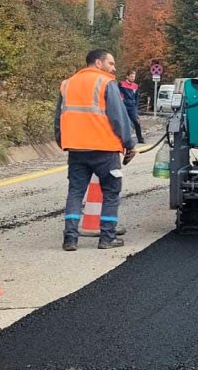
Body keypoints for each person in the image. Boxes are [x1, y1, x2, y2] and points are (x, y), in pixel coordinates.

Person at [55, 49, 138, 251]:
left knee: (75, 192)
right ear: (98, 63)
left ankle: (70, 239)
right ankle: (107, 238)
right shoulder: (105, 83)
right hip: (105, 150)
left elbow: (59, 118)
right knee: (110, 192)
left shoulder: (68, 84)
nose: (114, 68)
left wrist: (62, 141)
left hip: (76, 149)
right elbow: (118, 118)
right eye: (111, 63)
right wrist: (129, 143)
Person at [118, 70, 145, 144]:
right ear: (127, 76)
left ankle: (140, 139)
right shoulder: (121, 84)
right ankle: (121, 139)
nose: (133, 78)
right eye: (131, 76)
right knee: (123, 122)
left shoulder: (135, 86)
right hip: (124, 106)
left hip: (132, 106)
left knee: (137, 122)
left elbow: (136, 97)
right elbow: (118, 94)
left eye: (134, 77)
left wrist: (136, 107)